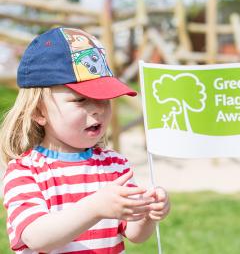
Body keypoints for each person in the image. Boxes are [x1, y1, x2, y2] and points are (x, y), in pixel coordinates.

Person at [0, 27, 170, 254]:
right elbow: (38, 237)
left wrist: (148, 213)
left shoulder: (115, 165)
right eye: (80, 100)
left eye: (104, 99)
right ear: (39, 111)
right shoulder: (25, 171)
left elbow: (134, 234)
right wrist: (96, 207)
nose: (98, 109)